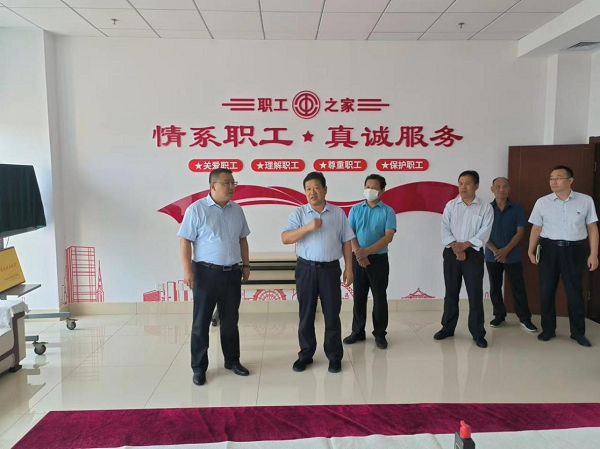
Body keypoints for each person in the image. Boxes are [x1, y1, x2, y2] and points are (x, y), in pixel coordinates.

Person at [178, 168, 251, 386]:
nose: (231, 187)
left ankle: (232, 361)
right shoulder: (196, 209)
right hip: (205, 273)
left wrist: (246, 265)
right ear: (212, 186)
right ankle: (199, 368)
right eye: (226, 183)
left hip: (232, 273)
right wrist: (187, 270)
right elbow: (185, 240)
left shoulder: (237, 210)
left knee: (231, 321)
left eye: (233, 183)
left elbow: (243, 239)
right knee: (201, 323)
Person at [282, 172, 354, 374]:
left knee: (332, 314)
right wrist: (308, 227)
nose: (312, 192)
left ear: (325, 190)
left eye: (316, 188)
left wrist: (349, 268)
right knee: (306, 314)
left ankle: (334, 357)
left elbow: (346, 241)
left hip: (330, 270)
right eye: (308, 189)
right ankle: (305, 355)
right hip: (306, 269)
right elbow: (286, 238)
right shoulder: (299, 214)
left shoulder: (338, 213)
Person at [528, 165, 599, 347]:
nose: (554, 181)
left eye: (558, 178)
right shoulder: (542, 202)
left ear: (570, 181)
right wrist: (530, 249)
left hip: (575, 250)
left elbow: (592, 228)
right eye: (551, 178)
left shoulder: (585, 201)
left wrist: (594, 254)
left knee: (575, 293)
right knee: (546, 291)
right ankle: (548, 330)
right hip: (549, 250)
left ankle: (578, 333)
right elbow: (536, 228)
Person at [435, 170, 494, 348]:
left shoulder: (485, 207)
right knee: (451, 292)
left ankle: (478, 333)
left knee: (475, 294)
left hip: (473, 254)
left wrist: (465, 245)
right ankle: (447, 328)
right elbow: (444, 228)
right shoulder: (451, 205)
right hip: (451, 252)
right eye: (460, 183)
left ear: (476, 186)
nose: (463, 187)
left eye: (467, 183)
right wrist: (456, 246)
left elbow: (484, 232)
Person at [343, 174, 396, 349]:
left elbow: (388, 237)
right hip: (358, 259)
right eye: (368, 187)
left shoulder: (388, 211)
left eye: (374, 188)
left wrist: (367, 252)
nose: (370, 190)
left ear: (382, 190)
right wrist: (360, 253)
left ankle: (380, 334)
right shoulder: (355, 209)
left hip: (378, 260)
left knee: (379, 298)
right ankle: (357, 332)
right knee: (359, 296)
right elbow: (350, 233)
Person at [485, 177, 537, 332]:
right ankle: (499, 315)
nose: (501, 189)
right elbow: (482, 233)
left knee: (518, 287)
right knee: (495, 287)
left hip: (512, 255)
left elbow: (520, 232)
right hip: (492, 255)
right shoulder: (485, 209)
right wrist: (496, 251)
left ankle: (525, 318)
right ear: (492, 189)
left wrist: (506, 250)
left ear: (509, 189)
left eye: (505, 186)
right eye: (498, 187)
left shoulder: (517, 208)